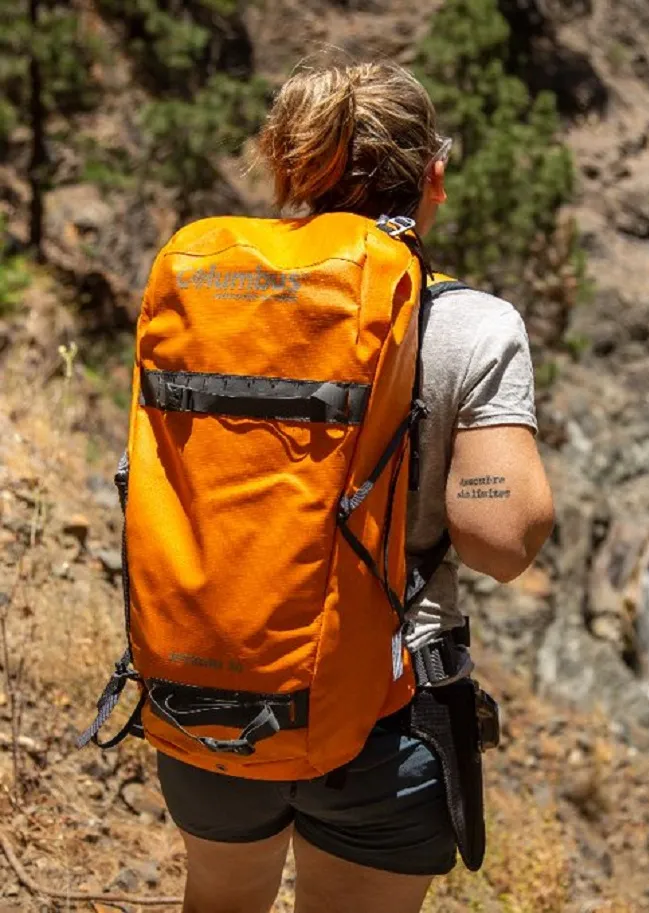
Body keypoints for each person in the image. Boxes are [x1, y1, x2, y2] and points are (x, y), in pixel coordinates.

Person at [148, 61, 554, 913]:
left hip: (209, 685)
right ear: (433, 176)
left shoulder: (211, 291)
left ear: (289, 167)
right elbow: (502, 541)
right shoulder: (470, 327)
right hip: (384, 710)